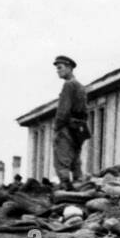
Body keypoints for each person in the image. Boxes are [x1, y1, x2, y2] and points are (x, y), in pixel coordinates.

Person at [52, 55, 88, 185]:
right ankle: (79, 187)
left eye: (60, 67)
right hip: (78, 129)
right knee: (75, 161)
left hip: (66, 128)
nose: (58, 71)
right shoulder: (81, 86)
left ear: (69, 68)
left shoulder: (68, 85)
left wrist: (57, 127)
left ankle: (65, 189)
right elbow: (84, 110)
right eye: (57, 68)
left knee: (62, 161)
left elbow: (63, 110)